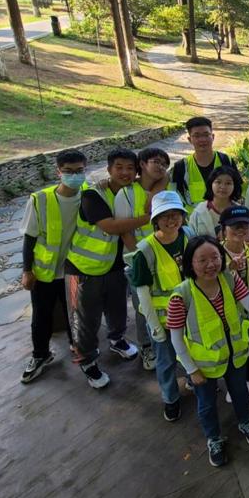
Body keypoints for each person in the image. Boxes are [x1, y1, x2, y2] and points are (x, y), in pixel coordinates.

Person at [167, 235, 249, 466]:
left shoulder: (230, 279)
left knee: (240, 393)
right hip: (204, 365)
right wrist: (191, 370)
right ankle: (213, 438)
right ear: (190, 263)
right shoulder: (182, 295)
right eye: (202, 260)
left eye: (215, 257)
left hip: (236, 355)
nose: (211, 264)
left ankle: (244, 421)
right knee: (207, 403)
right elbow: (176, 338)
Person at [65, 148, 150, 388]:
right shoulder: (93, 194)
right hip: (84, 268)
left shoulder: (132, 191)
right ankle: (87, 361)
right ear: (109, 169)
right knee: (85, 320)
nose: (124, 172)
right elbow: (110, 226)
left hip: (114, 265)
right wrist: (148, 218)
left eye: (130, 168)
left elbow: (160, 176)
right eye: (119, 167)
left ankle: (117, 340)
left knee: (117, 308)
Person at [19, 149, 87, 384]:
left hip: (74, 271)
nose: (74, 176)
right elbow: (29, 238)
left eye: (79, 171)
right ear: (58, 171)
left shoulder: (89, 195)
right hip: (44, 273)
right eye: (68, 171)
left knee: (74, 316)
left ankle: (78, 349)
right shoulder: (40, 199)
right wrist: (27, 271)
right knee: (41, 317)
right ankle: (40, 355)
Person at [131, 190, 193, 421]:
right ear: (155, 219)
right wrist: (154, 325)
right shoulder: (145, 251)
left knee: (192, 351)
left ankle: (193, 380)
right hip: (163, 320)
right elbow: (143, 293)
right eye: (165, 215)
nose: (171, 220)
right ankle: (170, 398)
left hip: (191, 313)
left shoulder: (188, 235)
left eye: (176, 214)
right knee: (166, 361)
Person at [116, 146, 171, 373]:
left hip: (162, 258)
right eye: (155, 161)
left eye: (164, 163)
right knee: (142, 305)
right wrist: (140, 258)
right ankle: (146, 346)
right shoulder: (126, 194)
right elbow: (125, 231)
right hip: (138, 259)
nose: (160, 167)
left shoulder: (164, 190)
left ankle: (166, 341)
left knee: (162, 301)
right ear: (142, 164)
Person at [220, 205, 249, 406]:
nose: (240, 231)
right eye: (235, 226)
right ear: (224, 230)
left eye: (245, 226)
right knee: (232, 353)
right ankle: (234, 384)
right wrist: (227, 269)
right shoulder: (216, 253)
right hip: (229, 319)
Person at [171, 117, 235, 210]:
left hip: (224, 216)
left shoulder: (226, 161)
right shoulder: (181, 166)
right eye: (197, 136)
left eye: (206, 135)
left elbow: (238, 191)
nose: (202, 139)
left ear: (213, 137)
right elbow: (174, 197)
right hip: (192, 218)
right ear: (189, 139)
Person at [188, 166, 243, 237]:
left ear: (235, 186)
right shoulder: (198, 212)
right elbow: (190, 238)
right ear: (211, 183)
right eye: (218, 182)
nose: (223, 187)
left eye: (228, 183)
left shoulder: (241, 212)